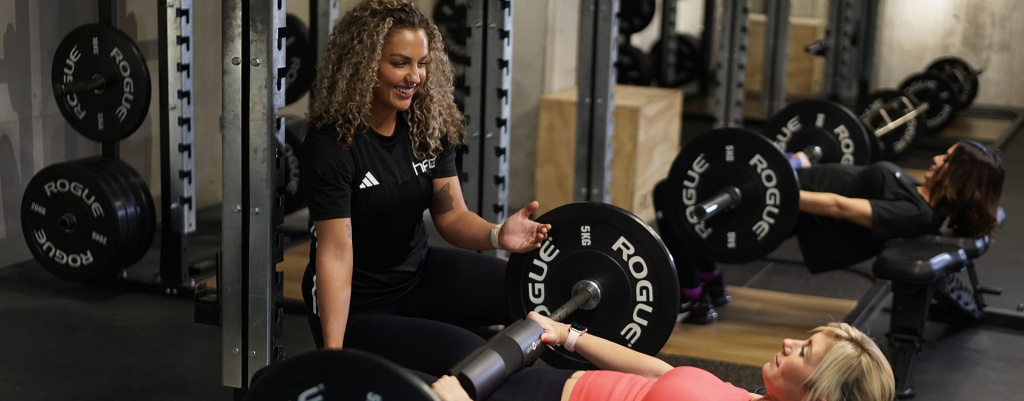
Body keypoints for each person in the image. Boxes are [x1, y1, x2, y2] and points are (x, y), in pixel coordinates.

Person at [300, 0, 551, 349]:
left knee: (534, 292)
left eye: (421, 64)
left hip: (419, 274)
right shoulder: (333, 145)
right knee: (473, 354)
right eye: (399, 63)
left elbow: (452, 216)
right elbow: (336, 254)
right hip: (360, 304)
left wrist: (497, 234)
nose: (414, 77)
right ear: (363, 66)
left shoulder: (425, 127)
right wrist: (334, 355)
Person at [660, 140, 1005, 324]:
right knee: (688, 199)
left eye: (947, 159)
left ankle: (693, 298)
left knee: (671, 196)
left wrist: (772, 192)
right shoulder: (921, 194)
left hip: (783, 207)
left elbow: (840, 207)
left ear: (958, 177)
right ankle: (710, 283)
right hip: (788, 187)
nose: (938, 158)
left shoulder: (916, 213)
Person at [342, 312, 896, 401]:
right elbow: (662, 372)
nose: (789, 344)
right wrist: (566, 335)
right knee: (365, 331)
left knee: (350, 383)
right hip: (541, 381)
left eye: (804, 351)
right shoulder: (760, 397)